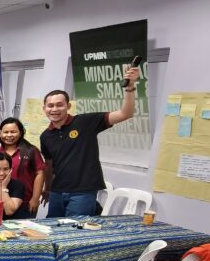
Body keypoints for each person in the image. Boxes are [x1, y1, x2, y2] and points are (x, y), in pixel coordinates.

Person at [41, 65, 141, 217]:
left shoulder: (85, 122)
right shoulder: (45, 136)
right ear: (44, 109)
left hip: (83, 192)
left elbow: (125, 113)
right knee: (51, 227)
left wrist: (130, 87)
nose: (54, 109)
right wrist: (47, 189)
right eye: (50, 106)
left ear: (68, 106)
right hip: (57, 191)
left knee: (75, 229)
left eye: (60, 105)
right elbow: (49, 166)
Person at [0, 117, 46, 216]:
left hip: (25, 202)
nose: (9, 135)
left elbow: (40, 174)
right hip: (0, 200)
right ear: (0, 134)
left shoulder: (31, 150)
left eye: (13, 132)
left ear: (20, 133)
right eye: (5, 132)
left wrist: (35, 198)